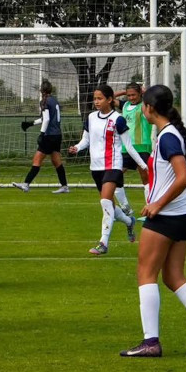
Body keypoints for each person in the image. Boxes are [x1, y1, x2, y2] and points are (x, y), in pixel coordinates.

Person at [121, 85, 186, 358]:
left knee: (145, 274)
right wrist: (184, 201)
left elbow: (184, 177)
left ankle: (150, 342)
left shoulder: (168, 136)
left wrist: (159, 203)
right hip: (183, 215)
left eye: (142, 105)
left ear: (149, 109)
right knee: (173, 277)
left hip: (166, 217)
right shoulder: (177, 133)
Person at [67, 84, 146, 255]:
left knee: (104, 202)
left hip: (113, 166)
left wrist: (143, 164)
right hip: (96, 168)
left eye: (100, 98)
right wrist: (77, 147)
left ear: (110, 100)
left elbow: (129, 146)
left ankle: (103, 242)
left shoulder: (118, 119)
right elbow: (85, 140)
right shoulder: (91, 118)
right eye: (95, 98)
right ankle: (129, 221)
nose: (96, 101)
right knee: (108, 203)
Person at [12, 80, 69, 194]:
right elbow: (46, 118)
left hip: (49, 135)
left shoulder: (44, 101)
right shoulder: (54, 101)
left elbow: (46, 119)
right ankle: (64, 186)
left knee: (37, 159)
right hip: (57, 135)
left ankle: (26, 184)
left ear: (41, 91)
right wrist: (30, 123)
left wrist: (42, 134)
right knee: (56, 161)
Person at [120, 80, 153, 211]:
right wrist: (124, 91)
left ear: (140, 94)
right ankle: (125, 207)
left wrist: (146, 92)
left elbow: (155, 99)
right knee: (115, 174)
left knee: (145, 176)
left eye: (134, 95)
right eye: (129, 95)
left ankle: (150, 207)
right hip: (126, 147)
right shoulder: (125, 105)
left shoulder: (145, 105)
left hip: (142, 146)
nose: (131, 98)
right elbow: (109, 97)